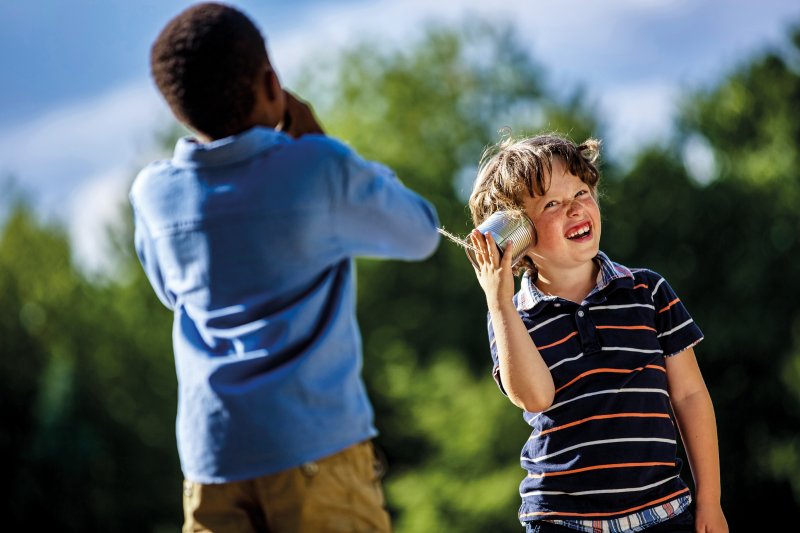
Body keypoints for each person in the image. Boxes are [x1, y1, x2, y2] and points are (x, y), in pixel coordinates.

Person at [129, 3, 440, 532]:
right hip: (314, 449)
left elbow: (170, 293)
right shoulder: (317, 168)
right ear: (271, 81)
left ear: (178, 108)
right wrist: (323, 143)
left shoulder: (153, 195)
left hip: (212, 461)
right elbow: (420, 231)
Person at [465, 132, 728, 532]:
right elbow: (536, 397)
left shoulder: (648, 291)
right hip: (561, 521)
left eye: (582, 193)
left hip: (662, 513)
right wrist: (498, 301)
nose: (574, 209)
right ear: (518, 233)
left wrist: (709, 501)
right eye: (552, 203)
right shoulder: (510, 317)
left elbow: (690, 395)